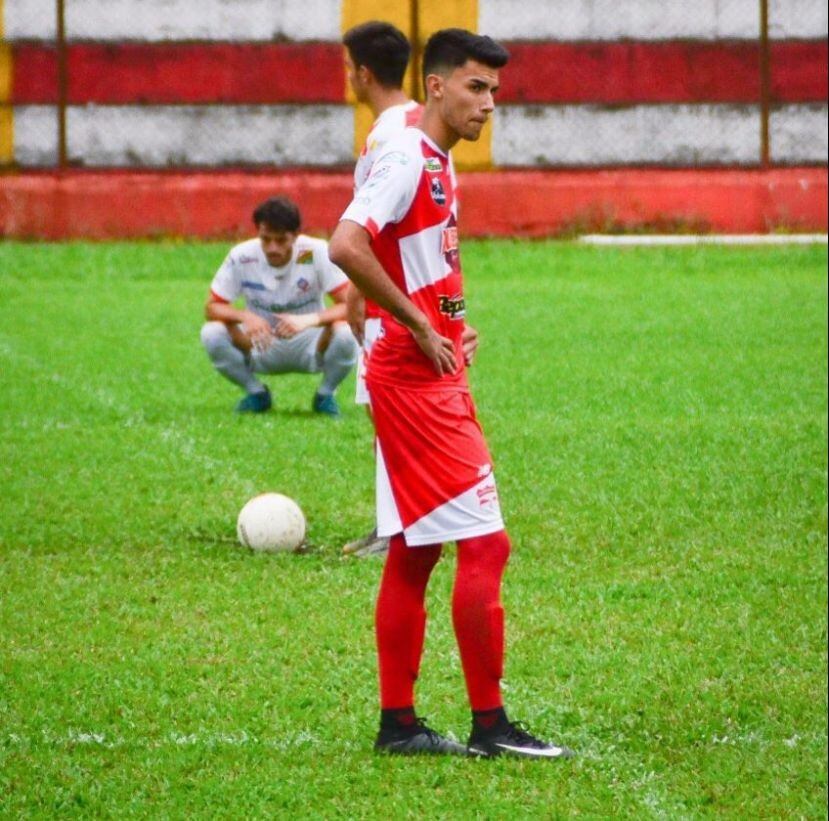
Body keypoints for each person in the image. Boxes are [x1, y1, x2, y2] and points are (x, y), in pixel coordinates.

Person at [328, 29, 573, 758]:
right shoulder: (408, 153)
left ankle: (398, 725)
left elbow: (422, 250)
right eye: (474, 87)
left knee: (411, 550)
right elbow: (347, 245)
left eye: (494, 90)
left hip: (422, 361)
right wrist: (415, 323)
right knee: (486, 545)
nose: (488, 103)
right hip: (413, 377)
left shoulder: (417, 141)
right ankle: (490, 725)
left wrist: (451, 323)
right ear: (434, 87)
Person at [340, 21, 479, 557]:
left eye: (347, 68)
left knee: (390, 404)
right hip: (420, 292)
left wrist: (357, 292)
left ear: (363, 72)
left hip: (397, 297)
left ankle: (398, 525)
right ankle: (399, 522)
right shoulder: (417, 125)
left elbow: (376, 227)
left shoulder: (389, 136)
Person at [200, 196, 357, 416]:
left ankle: (325, 395)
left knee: (347, 333)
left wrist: (308, 320)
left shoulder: (311, 253)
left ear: (295, 236)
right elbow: (211, 308)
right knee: (211, 333)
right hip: (259, 343)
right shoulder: (243, 256)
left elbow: (352, 306)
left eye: (281, 240)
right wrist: (246, 317)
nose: (272, 247)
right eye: (266, 239)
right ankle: (256, 393)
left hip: (311, 341)